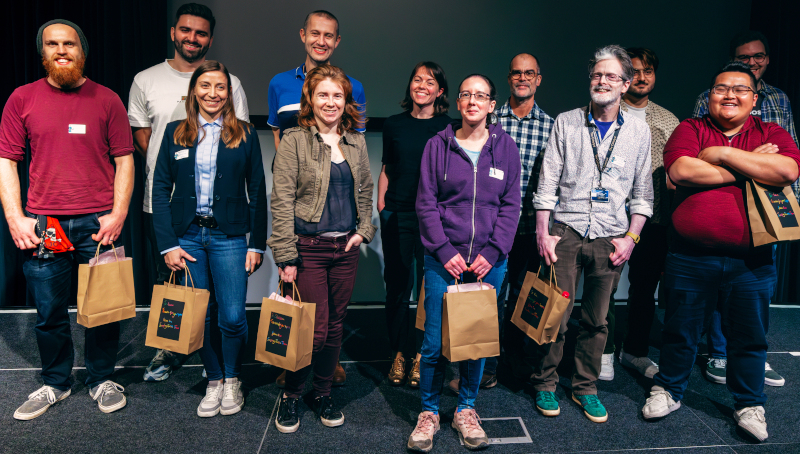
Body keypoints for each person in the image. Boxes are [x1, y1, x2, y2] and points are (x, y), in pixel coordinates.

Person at [642, 61, 800, 443]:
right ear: (709, 95)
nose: (729, 95)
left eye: (739, 89)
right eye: (720, 88)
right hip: (689, 256)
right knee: (681, 330)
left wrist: (720, 155)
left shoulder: (772, 131)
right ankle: (669, 389)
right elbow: (681, 171)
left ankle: (749, 404)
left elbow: (787, 171)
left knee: (750, 337)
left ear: (754, 98)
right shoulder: (690, 128)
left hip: (752, 260)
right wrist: (752, 165)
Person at [0, 20, 135, 419]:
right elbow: (7, 161)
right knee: (49, 312)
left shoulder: (107, 99)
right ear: (43, 53)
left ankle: (101, 379)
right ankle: (56, 382)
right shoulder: (21, 98)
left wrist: (118, 213)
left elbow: (124, 160)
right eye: (53, 44)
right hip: (46, 225)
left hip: (98, 222)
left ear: (83, 51)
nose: (62, 50)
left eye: (70, 43)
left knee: (104, 308)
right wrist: (15, 218)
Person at [128, 2, 251, 383]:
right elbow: (142, 134)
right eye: (186, 30)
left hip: (216, 215)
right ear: (173, 32)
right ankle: (171, 351)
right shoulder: (145, 79)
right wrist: (177, 168)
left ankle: (219, 365)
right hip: (164, 204)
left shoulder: (229, 85)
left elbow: (237, 138)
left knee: (219, 300)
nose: (192, 38)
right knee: (176, 289)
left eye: (200, 33)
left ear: (209, 38)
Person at [532, 45, 653, 423]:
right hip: (565, 231)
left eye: (611, 76)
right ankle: (546, 383)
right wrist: (543, 230)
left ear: (626, 84)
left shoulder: (638, 130)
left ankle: (585, 387)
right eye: (597, 75)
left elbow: (643, 193)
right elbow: (547, 182)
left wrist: (631, 238)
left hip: (610, 236)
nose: (602, 82)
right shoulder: (567, 122)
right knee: (556, 313)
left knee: (597, 320)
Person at [407, 74, 521, 452]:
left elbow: (511, 206)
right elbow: (425, 203)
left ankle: (466, 410)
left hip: (490, 263)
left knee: (475, 342)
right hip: (444, 262)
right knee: (434, 341)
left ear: (492, 105)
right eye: (466, 95)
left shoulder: (506, 148)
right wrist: (442, 250)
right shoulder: (437, 146)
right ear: (457, 103)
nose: (473, 101)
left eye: (482, 96)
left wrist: (491, 254)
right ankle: (428, 412)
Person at [151, 60, 267, 418]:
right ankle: (214, 380)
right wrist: (168, 244)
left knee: (232, 316)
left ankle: (233, 379)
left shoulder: (245, 134)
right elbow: (159, 189)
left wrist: (256, 243)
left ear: (228, 94)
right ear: (194, 92)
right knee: (198, 316)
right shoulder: (174, 132)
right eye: (205, 86)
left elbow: (259, 192)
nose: (212, 93)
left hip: (229, 237)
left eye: (220, 87)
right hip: (187, 237)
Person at [269, 65, 375, 433]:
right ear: (310, 100)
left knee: (334, 327)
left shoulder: (356, 142)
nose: (330, 102)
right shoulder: (295, 139)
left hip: (344, 249)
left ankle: (322, 392)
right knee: (310, 330)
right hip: (307, 249)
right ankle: (293, 394)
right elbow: (281, 201)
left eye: (337, 95)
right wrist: (285, 256)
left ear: (347, 101)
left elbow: (365, 189)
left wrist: (363, 231)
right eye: (323, 95)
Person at [692, 31, 795, 388]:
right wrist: (748, 159)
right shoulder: (709, 99)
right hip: (723, 200)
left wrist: (792, 208)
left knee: (756, 289)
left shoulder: (779, 98)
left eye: (759, 56)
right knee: (722, 285)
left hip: (769, 205)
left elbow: (788, 158)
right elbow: (698, 154)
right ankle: (719, 353)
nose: (753, 62)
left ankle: (754, 356)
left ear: (767, 59)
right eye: (745, 57)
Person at [267, 9, 364, 386]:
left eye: (329, 35)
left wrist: (362, 227)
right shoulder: (279, 83)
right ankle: (292, 372)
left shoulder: (352, 85)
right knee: (300, 310)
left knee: (328, 320)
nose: (321, 41)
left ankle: (324, 372)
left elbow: (354, 155)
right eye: (315, 34)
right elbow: (280, 141)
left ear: (337, 41)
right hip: (299, 210)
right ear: (303, 35)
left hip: (338, 228)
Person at [599, 47, 680, 381]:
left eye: (649, 70)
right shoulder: (603, 112)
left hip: (654, 219)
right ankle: (601, 351)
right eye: (635, 70)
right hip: (608, 217)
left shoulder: (668, 120)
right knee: (602, 288)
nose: (642, 77)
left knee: (645, 290)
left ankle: (634, 350)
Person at [378, 62, 451, 388]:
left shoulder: (449, 126)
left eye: (430, 81)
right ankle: (398, 352)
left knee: (430, 291)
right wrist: (382, 208)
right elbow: (387, 168)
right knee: (396, 288)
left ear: (440, 91)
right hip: (398, 214)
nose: (422, 85)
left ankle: (423, 354)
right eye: (417, 79)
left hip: (433, 219)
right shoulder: (394, 124)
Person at [485, 52, 554, 385]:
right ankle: (486, 363)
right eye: (516, 73)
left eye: (530, 73)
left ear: (538, 79)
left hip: (528, 229)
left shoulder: (552, 127)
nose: (522, 78)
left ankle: (515, 361)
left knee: (522, 298)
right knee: (489, 297)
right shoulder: (489, 119)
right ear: (509, 78)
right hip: (492, 229)